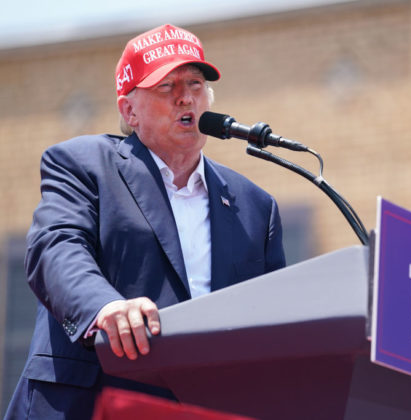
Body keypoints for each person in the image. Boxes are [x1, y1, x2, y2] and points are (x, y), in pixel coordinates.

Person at [4, 24, 285, 420]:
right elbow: (56, 248)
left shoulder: (256, 206)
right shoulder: (83, 165)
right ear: (129, 111)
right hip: (92, 403)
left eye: (195, 83)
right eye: (166, 86)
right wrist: (104, 306)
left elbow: (272, 322)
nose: (185, 96)